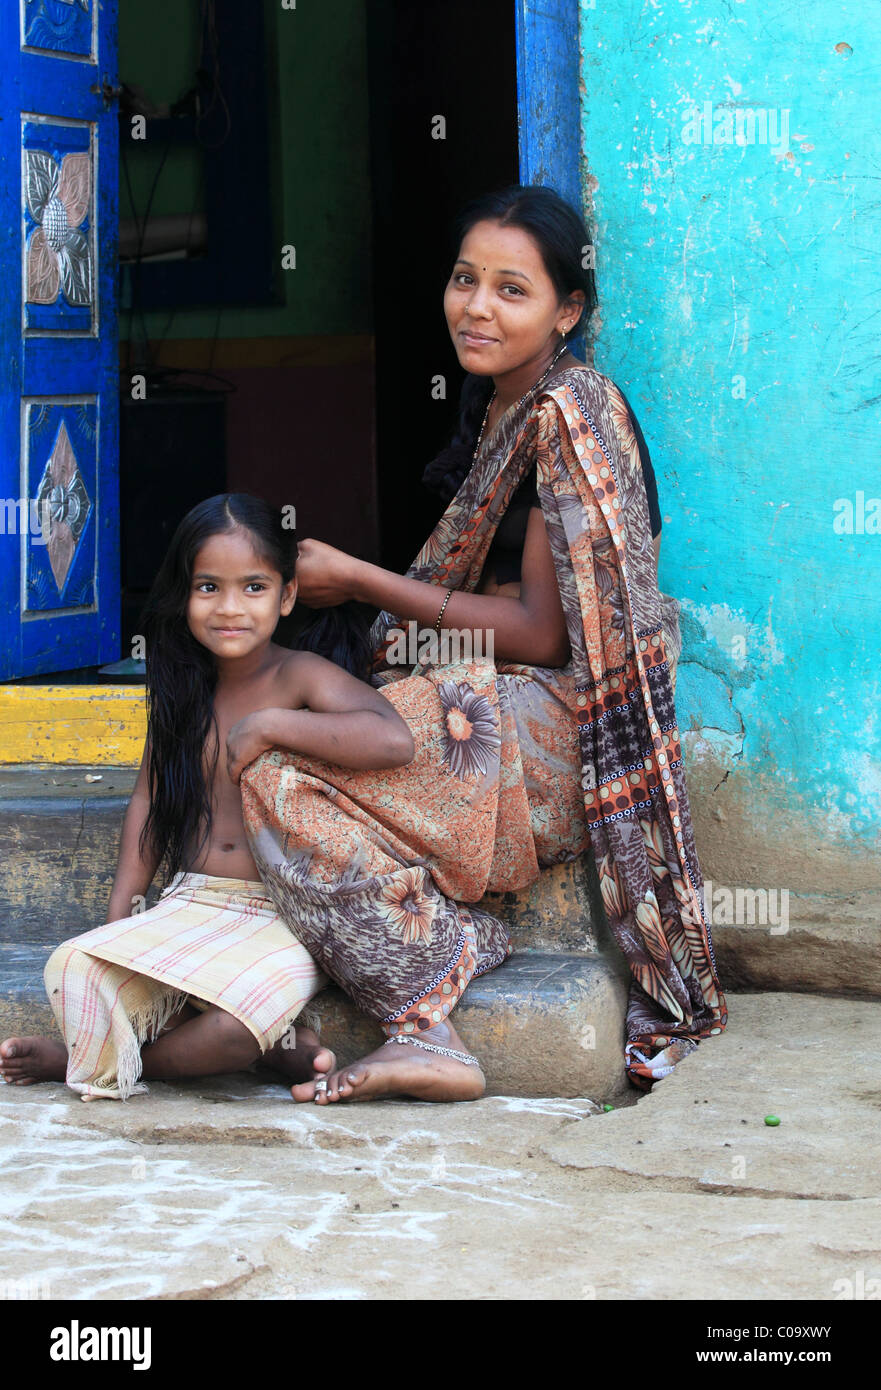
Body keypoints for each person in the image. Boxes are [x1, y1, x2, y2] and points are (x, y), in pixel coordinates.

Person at [239, 184, 728, 1106]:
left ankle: (425, 1018)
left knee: (273, 762)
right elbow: (497, 601)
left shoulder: (570, 414)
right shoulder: (500, 410)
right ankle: (435, 986)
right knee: (277, 742)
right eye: (466, 280)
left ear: (567, 311)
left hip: (556, 729)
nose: (476, 306)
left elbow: (546, 635)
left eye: (512, 290)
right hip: (492, 699)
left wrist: (360, 579)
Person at [0, 494, 415, 1100]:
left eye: (253, 587)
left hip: (287, 915)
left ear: (288, 596)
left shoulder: (299, 676)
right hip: (192, 902)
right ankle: (276, 1051)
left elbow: (392, 739)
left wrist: (275, 725)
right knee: (75, 969)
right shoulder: (180, 692)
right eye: (208, 587)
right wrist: (121, 915)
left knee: (230, 1030)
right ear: (183, 594)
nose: (229, 608)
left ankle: (96, 1061)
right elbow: (147, 799)